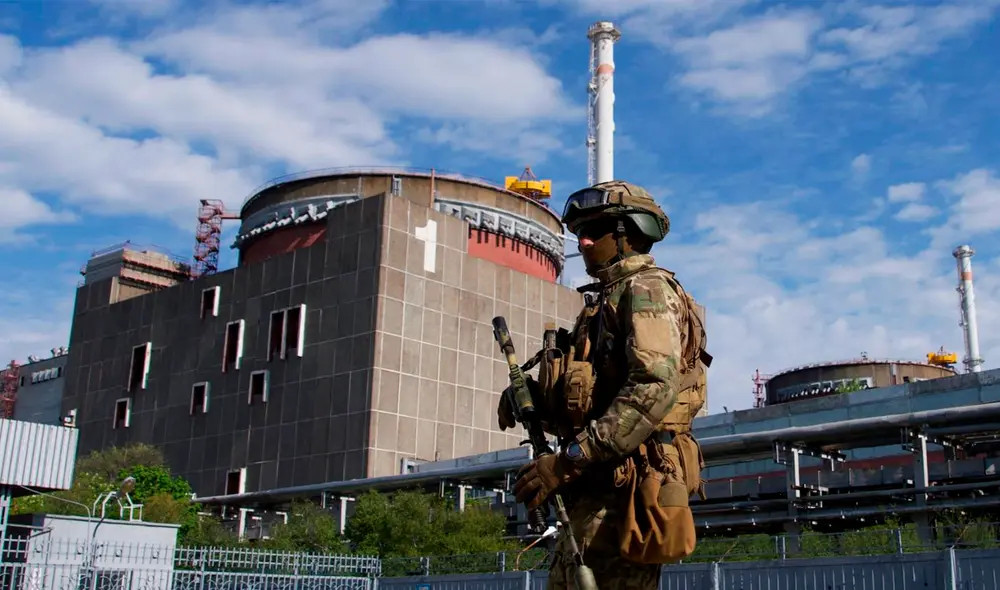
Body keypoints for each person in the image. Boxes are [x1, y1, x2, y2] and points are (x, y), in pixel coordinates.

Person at [497, 180, 710, 590]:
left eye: (594, 231)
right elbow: (595, 396)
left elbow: (653, 387)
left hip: (625, 495)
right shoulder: (606, 301)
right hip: (596, 490)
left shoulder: (646, 290)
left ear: (626, 235)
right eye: (579, 233)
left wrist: (568, 461)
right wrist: (535, 399)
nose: (583, 242)